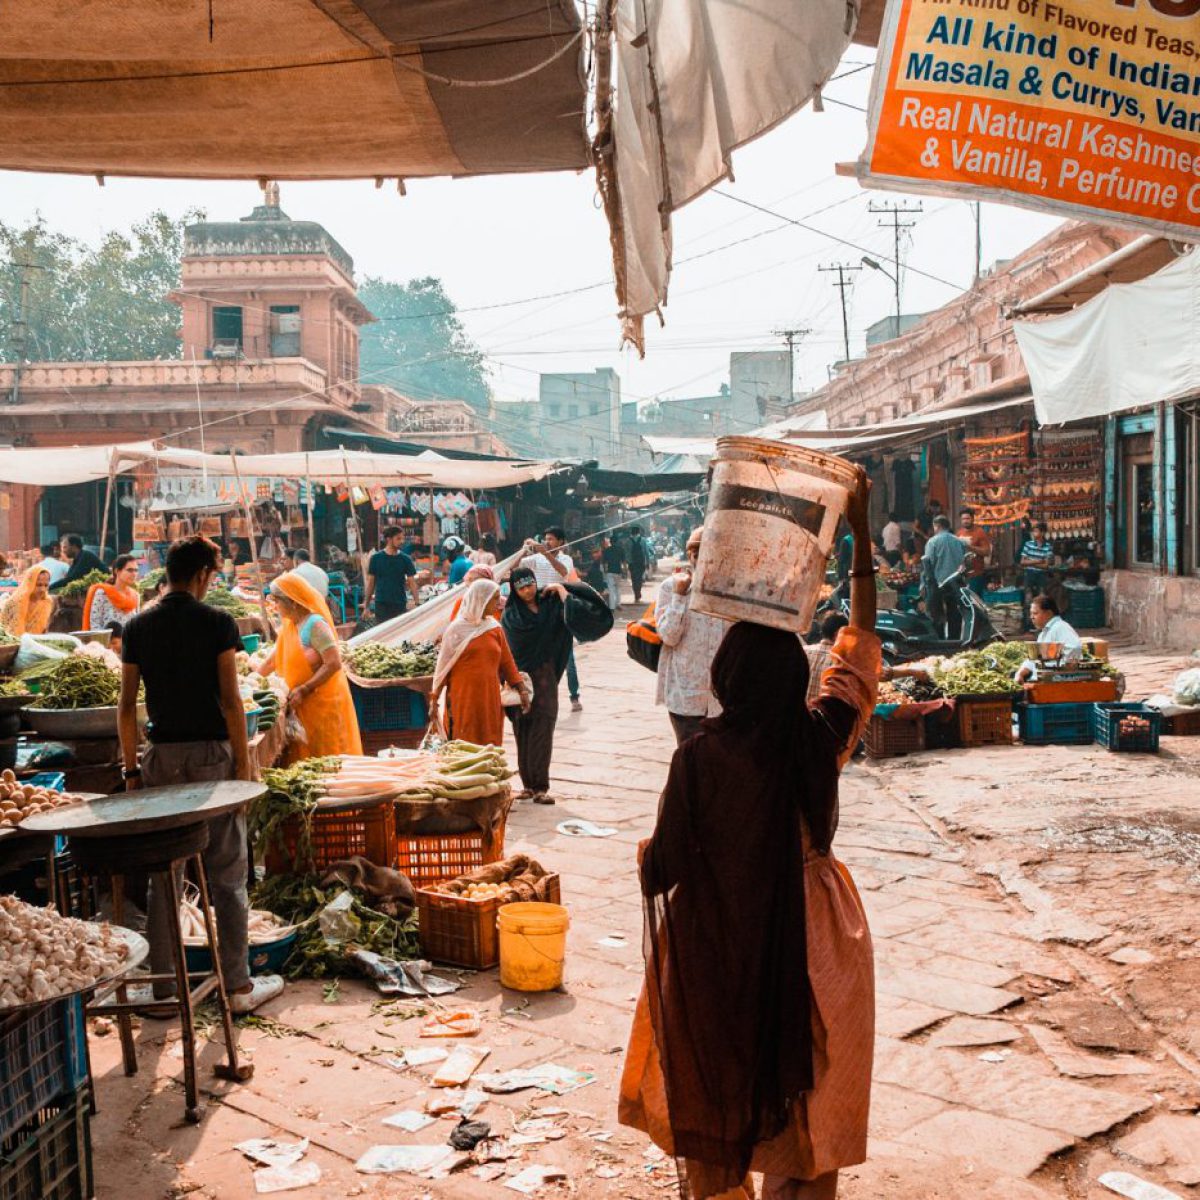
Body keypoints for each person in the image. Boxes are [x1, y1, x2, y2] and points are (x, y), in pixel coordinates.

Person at [620, 467, 879, 1200]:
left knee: (721, 1076)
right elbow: (858, 646)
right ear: (795, 679)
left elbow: (660, 870)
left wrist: (662, 851)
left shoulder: (698, 756)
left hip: (717, 947)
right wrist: (859, 534)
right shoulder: (818, 735)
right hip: (815, 942)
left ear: (726, 679)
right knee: (810, 1096)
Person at [118, 536, 283, 1014]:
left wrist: (130, 770)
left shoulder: (136, 626)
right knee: (228, 875)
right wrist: (245, 766)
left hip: (161, 759)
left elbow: (128, 708)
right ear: (203, 575)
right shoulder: (216, 623)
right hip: (212, 756)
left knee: (164, 874)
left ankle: (166, 990)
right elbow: (233, 701)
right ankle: (236, 988)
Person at [259, 573, 363, 762]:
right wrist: (249, 682)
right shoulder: (290, 626)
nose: (275, 606)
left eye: (277, 601)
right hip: (299, 703)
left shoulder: (315, 625)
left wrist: (305, 688)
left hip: (321, 704)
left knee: (327, 757)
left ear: (294, 602)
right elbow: (271, 662)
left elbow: (333, 663)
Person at [501, 566, 573, 805]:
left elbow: (576, 614)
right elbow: (510, 652)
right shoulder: (511, 616)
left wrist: (561, 591)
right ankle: (527, 786)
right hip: (519, 679)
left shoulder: (550, 605)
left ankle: (541, 786)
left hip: (545, 677)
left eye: (530, 584)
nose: (527, 590)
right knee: (523, 730)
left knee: (544, 727)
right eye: (520, 587)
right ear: (514, 590)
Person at [433, 578, 528, 746]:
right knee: (463, 744)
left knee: (489, 742)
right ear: (481, 599)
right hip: (463, 697)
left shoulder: (494, 628)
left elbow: (507, 662)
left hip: (489, 697)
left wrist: (522, 690)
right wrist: (434, 701)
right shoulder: (456, 630)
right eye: (494, 597)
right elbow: (443, 667)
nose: (498, 602)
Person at [655, 527, 727, 746]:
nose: (704, 561)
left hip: (724, 698)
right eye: (698, 554)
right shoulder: (671, 587)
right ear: (690, 556)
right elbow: (668, 636)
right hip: (684, 694)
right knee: (689, 761)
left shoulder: (732, 592)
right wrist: (679, 596)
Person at [522, 529, 582, 712]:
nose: (547, 542)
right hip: (539, 609)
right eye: (545, 538)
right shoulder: (536, 559)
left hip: (558, 609)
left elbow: (562, 572)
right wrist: (524, 549)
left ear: (561, 541)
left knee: (568, 656)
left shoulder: (565, 559)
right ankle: (540, 695)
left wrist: (544, 552)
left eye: (551, 539)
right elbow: (516, 567)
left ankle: (574, 696)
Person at [1015, 594, 1084, 682]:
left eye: (1035, 613)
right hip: (1039, 680)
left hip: (1054, 682)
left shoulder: (1060, 627)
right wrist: (1020, 673)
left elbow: (1075, 647)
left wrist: (1060, 668)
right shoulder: (1043, 633)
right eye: (1031, 614)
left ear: (1048, 613)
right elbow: (1034, 658)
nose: (1031, 617)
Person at [364, 526, 420, 624]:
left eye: (402, 538)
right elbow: (371, 584)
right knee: (382, 635)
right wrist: (366, 606)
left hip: (400, 603)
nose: (402, 541)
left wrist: (417, 603)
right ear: (389, 539)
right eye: (398, 538)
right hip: (381, 604)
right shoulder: (376, 558)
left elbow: (412, 583)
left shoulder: (405, 559)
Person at [83, 554, 141, 646]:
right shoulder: (102, 593)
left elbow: (137, 628)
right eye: (130, 570)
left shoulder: (136, 596)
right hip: (106, 647)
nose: (134, 574)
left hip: (129, 648)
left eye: (136, 570)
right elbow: (94, 625)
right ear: (117, 571)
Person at [922, 514, 966, 636]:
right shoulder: (959, 541)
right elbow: (964, 562)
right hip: (956, 584)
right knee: (955, 614)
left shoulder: (933, 542)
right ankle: (954, 640)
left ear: (937, 526)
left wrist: (924, 584)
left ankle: (939, 640)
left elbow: (928, 564)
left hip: (937, 583)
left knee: (937, 614)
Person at [804, 613, 849, 705]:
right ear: (838, 634)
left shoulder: (804, 651)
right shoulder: (843, 661)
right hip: (823, 718)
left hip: (798, 715)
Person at [1, 565, 54, 636]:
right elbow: (9, 631)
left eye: (46, 585)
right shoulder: (16, 602)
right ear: (29, 584)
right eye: (39, 585)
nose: (42, 589)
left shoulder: (47, 602)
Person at [957, 509, 993, 597]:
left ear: (973, 519)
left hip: (976, 574)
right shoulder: (959, 532)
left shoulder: (980, 532)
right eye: (963, 519)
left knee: (975, 601)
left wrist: (970, 547)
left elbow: (986, 551)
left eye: (967, 518)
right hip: (962, 574)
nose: (965, 521)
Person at [1019, 522, 1056, 594]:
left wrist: (1029, 562)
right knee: (1028, 595)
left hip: (1042, 574)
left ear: (1042, 533)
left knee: (1042, 596)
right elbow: (1022, 562)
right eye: (1033, 531)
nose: (1033, 533)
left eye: (1036, 531)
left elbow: (1045, 566)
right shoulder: (1028, 544)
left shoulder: (1048, 546)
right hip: (1029, 573)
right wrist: (1038, 561)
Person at [627, 525, 649, 605]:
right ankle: (638, 592)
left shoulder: (628, 541)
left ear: (632, 532)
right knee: (639, 578)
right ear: (639, 532)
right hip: (641, 563)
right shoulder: (643, 540)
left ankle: (636, 594)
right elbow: (646, 552)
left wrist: (629, 563)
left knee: (633, 579)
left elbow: (627, 553)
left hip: (632, 564)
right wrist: (647, 562)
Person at [602, 536, 625, 611]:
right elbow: (623, 562)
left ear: (610, 542)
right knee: (618, 588)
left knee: (611, 589)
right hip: (618, 571)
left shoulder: (606, 550)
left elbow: (604, 563)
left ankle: (612, 607)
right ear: (617, 541)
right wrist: (625, 570)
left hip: (610, 572)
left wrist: (605, 571)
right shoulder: (620, 549)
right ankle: (618, 604)